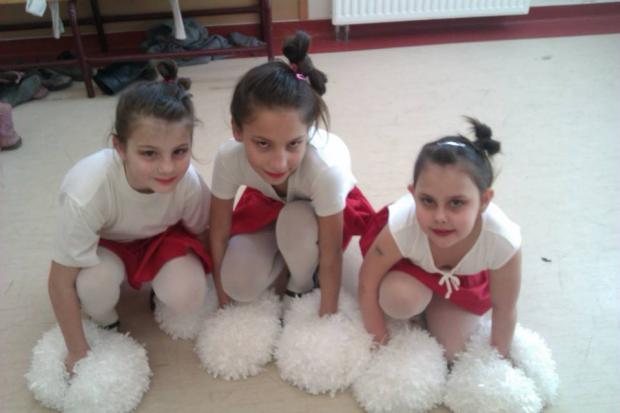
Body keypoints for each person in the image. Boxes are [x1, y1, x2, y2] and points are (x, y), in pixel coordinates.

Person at [48, 60, 212, 373]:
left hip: (162, 238)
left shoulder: (189, 183)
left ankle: (158, 294)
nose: (167, 167)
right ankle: (107, 319)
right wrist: (77, 352)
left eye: (179, 151)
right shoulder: (87, 192)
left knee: (190, 294)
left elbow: (204, 232)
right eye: (149, 153)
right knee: (94, 287)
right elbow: (59, 282)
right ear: (120, 147)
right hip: (107, 244)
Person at [209, 31, 374, 316]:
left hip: (315, 211)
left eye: (294, 144)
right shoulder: (228, 158)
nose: (278, 163)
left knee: (295, 220)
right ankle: (286, 257)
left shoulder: (326, 171)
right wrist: (222, 301)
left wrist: (327, 316)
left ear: (308, 132)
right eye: (263, 144)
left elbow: (332, 253)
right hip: (268, 202)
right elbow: (219, 231)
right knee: (239, 285)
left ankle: (300, 281)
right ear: (237, 130)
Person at [358, 117, 521, 360]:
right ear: (413, 194)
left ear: (484, 201)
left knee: (455, 352)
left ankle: (437, 306)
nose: (440, 217)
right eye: (428, 201)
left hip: (461, 281)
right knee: (398, 299)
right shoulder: (402, 227)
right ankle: (419, 304)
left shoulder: (502, 241)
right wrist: (379, 342)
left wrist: (500, 359)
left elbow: (505, 307)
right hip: (410, 269)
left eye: (456, 203)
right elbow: (367, 284)